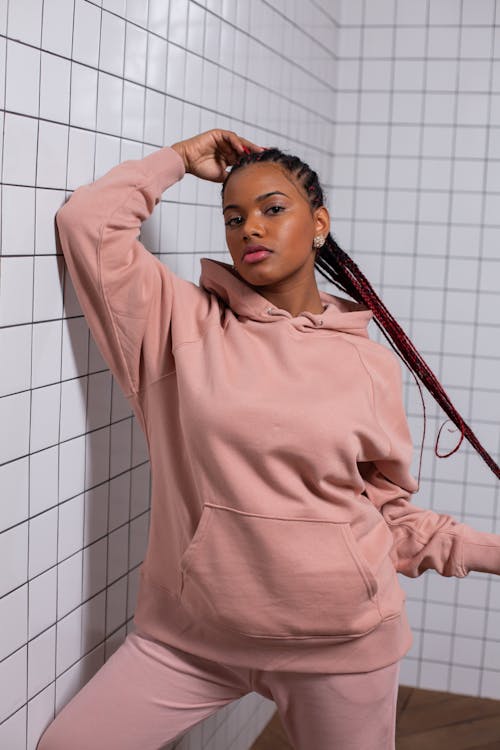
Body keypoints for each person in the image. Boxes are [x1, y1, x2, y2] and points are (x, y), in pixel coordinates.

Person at [37, 129, 500, 750]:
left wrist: (488, 550)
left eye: (272, 209)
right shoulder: (181, 324)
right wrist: (177, 159)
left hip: (341, 645)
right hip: (191, 636)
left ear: (318, 223)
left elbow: (387, 518)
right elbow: (88, 225)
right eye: (234, 217)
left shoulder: (369, 366)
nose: (250, 227)